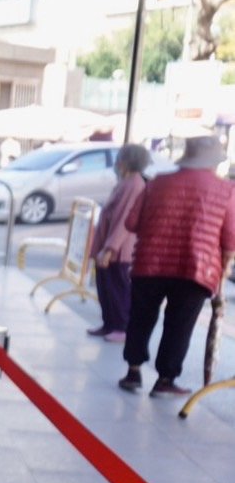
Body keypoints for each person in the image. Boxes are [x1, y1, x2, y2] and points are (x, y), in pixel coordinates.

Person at [119, 136, 235, 397]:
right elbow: (230, 239)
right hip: (196, 267)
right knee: (179, 324)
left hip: (149, 262)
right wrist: (224, 266)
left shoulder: (157, 183)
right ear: (213, 163)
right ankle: (165, 380)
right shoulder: (226, 190)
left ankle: (133, 372)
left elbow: (131, 223)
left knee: (141, 316)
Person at [89, 144, 151, 343]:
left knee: (117, 288)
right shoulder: (126, 182)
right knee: (106, 286)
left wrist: (109, 249)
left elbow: (123, 220)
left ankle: (121, 326)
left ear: (125, 162)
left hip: (119, 249)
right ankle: (109, 323)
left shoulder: (133, 185)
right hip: (109, 244)